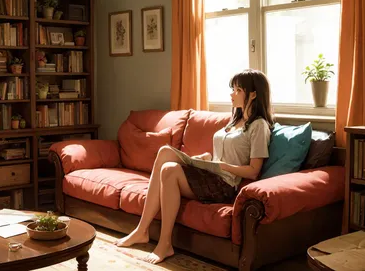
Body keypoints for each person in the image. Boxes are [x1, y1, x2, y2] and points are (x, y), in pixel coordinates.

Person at [114, 69, 274, 264]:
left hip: (225, 185)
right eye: (233, 89)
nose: (232, 94)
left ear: (254, 94)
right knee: (165, 153)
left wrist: (224, 166)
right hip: (211, 173)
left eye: (238, 90)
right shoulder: (234, 121)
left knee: (169, 169)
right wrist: (208, 158)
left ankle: (163, 243)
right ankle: (142, 230)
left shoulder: (259, 126)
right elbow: (221, 153)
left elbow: (254, 170)